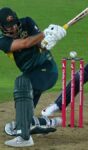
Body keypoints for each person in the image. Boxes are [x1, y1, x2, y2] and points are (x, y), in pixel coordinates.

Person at [0, 7, 66, 147]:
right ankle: (49, 122)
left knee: (21, 83)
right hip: (32, 74)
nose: (13, 28)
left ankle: (25, 138)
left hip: (47, 70)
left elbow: (41, 44)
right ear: (1, 28)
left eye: (15, 24)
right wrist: (44, 33)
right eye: (8, 27)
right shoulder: (2, 41)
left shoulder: (27, 22)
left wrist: (50, 37)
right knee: (23, 115)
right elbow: (24, 43)